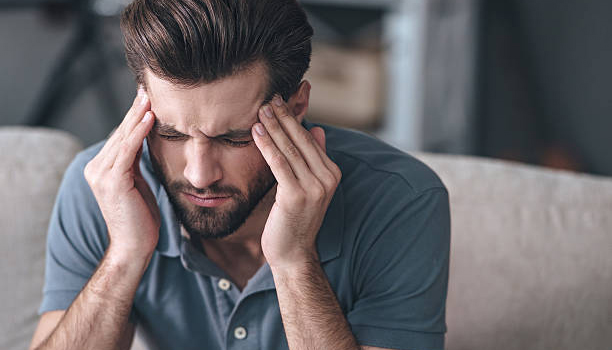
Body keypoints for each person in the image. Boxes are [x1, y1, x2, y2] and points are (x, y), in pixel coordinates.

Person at [29, 0, 451, 349]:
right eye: (170, 133)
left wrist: (293, 262)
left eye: (232, 139)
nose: (198, 175)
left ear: (296, 107)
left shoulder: (402, 201)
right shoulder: (106, 188)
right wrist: (123, 257)